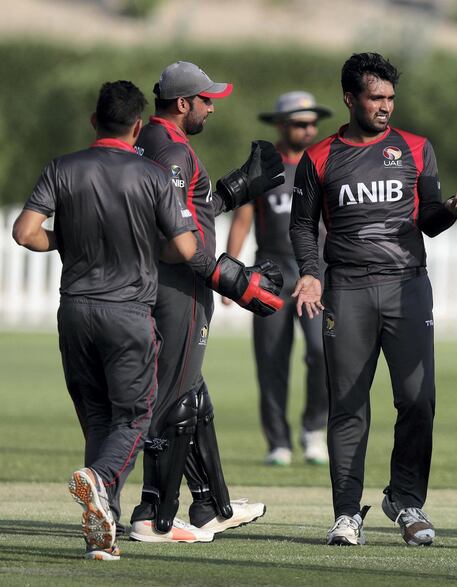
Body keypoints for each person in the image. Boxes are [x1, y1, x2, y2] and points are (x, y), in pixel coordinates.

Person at [290, 52, 457, 547]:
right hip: (348, 290)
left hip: (407, 288)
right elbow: (300, 225)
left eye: (390, 98)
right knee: (349, 404)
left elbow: (429, 223)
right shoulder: (319, 157)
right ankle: (346, 513)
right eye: (375, 97)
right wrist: (310, 275)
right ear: (350, 98)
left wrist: (452, 211)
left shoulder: (416, 148)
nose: (385, 106)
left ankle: (406, 501)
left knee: (419, 400)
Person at [12, 81, 197, 560]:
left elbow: (25, 232)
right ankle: (100, 480)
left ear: (94, 120)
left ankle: (103, 527)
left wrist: (68, 240)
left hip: (74, 310)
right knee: (134, 415)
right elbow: (185, 248)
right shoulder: (152, 174)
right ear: (138, 126)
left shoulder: (62, 167)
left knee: (97, 416)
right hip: (128, 312)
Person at [129, 61, 286, 543]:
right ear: (182, 104)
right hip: (181, 291)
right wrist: (236, 280)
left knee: (193, 397)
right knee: (174, 399)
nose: (211, 107)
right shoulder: (173, 152)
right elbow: (173, 240)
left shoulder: (150, 145)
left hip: (165, 285)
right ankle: (153, 516)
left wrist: (234, 188)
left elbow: (184, 213)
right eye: (205, 99)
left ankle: (209, 506)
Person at [225, 91, 333, 467]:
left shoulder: (322, 163)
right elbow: (243, 217)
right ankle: (278, 442)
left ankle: (314, 430)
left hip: (313, 274)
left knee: (322, 352)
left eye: (312, 123)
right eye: (301, 124)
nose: (310, 130)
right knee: (272, 360)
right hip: (269, 272)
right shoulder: (264, 165)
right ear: (283, 125)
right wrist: (230, 271)